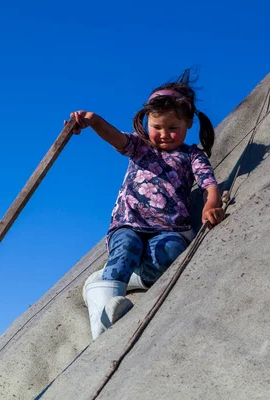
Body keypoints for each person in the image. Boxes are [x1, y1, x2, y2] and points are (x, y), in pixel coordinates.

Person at [67, 69, 225, 340]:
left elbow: (209, 182)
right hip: (130, 222)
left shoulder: (191, 155)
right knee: (127, 245)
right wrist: (92, 120)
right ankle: (103, 318)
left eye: (173, 128)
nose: (164, 134)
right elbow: (115, 136)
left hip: (169, 229)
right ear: (146, 122)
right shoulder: (141, 147)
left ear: (188, 124)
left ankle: (111, 281)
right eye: (157, 127)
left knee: (172, 252)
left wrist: (211, 203)